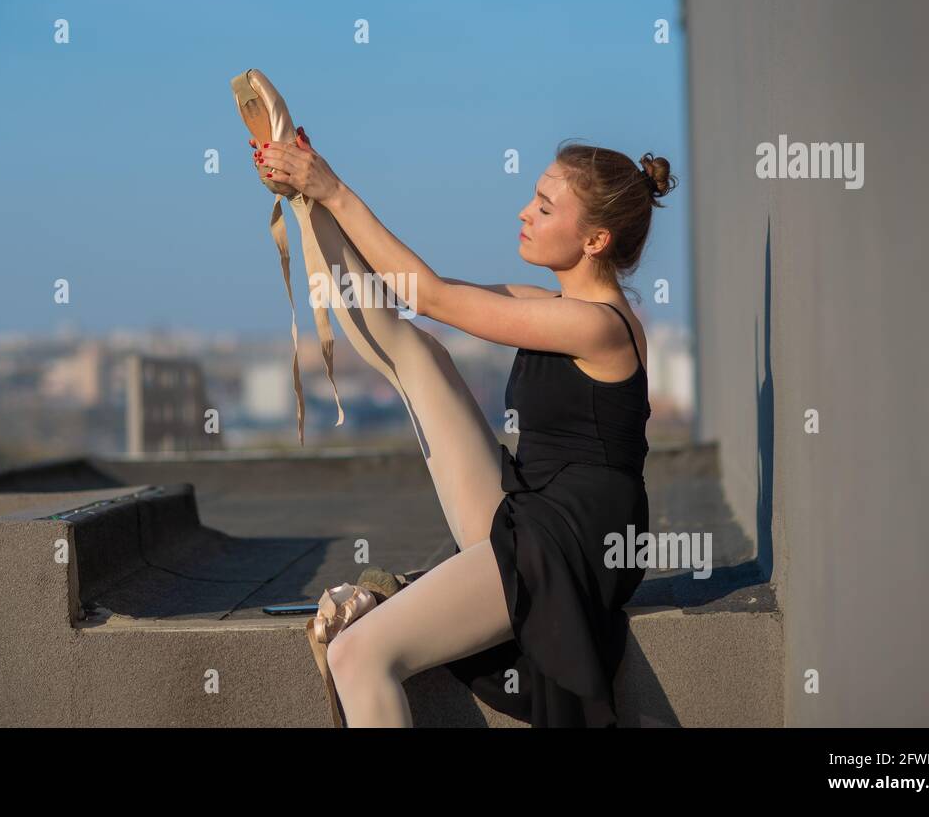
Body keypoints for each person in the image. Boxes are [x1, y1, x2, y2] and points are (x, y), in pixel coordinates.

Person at [253, 129, 676, 727]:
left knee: (357, 652)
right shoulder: (550, 307)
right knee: (417, 352)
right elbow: (400, 300)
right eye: (533, 198)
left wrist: (335, 188)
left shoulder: (600, 327)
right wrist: (307, 198)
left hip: (574, 541)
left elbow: (430, 295)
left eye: (545, 207)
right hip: (531, 509)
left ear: (595, 239)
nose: (524, 214)